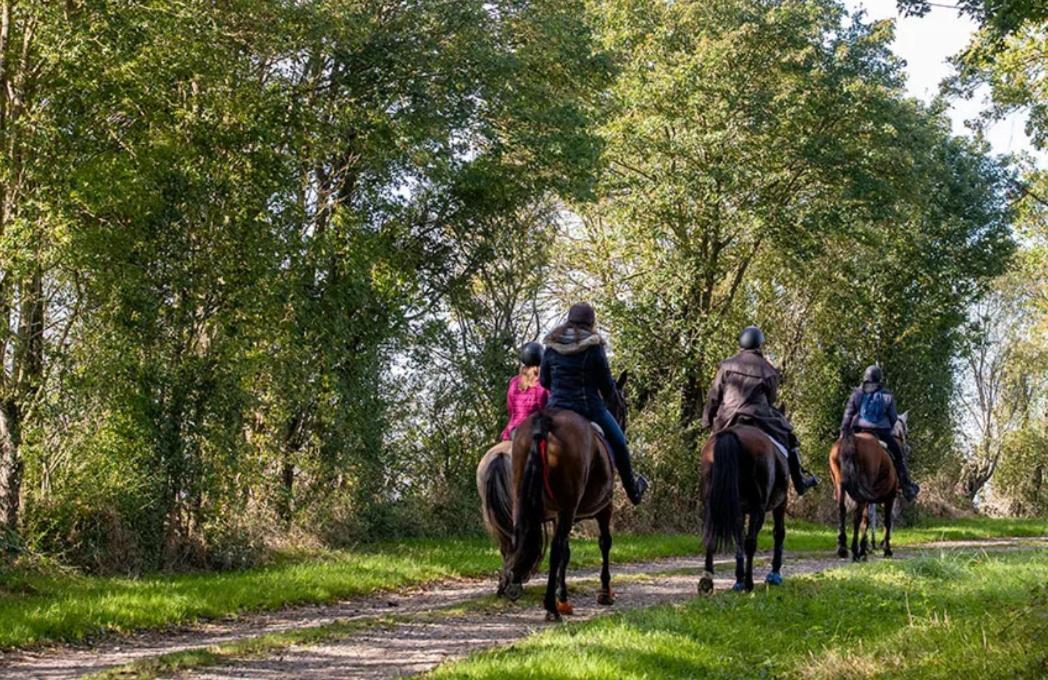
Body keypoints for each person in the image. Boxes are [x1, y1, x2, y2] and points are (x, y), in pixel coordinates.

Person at [540, 303, 648, 505]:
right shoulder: (594, 346)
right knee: (620, 444)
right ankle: (633, 492)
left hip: (555, 407)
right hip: (588, 407)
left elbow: (544, 380)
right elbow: (607, 387)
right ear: (591, 323)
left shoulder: (552, 344)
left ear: (569, 319)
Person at [702, 326, 819, 495]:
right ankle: (799, 481)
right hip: (759, 418)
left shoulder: (726, 366)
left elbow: (714, 396)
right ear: (760, 345)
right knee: (789, 437)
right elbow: (771, 399)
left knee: (709, 449)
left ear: (741, 343)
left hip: (727, 417)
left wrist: (707, 420)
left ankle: (705, 487)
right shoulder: (769, 370)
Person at [840, 365, 919, 501]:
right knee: (899, 456)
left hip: (858, 429)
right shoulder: (887, 396)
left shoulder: (857, 394)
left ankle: (838, 487)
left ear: (865, 378)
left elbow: (848, 414)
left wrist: (844, 431)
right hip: (880, 432)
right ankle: (907, 487)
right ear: (879, 379)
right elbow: (894, 418)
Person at [500, 342, 549, 441]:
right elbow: (549, 408)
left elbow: (510, 409)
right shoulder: (544, 384)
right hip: (535, 429)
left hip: (514, 430)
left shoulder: (514, 382)